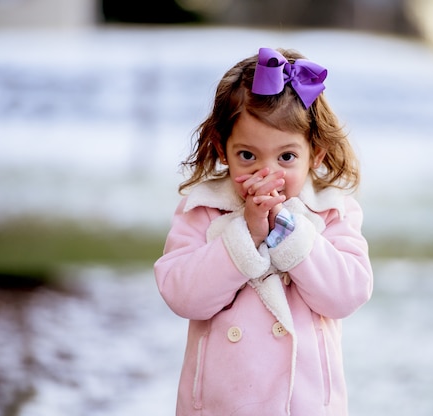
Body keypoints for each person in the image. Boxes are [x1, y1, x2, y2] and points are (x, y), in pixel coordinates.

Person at [154, 47, 373, 416]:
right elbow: (180, 294)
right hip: (220, 405)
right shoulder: (203, 209)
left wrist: (289, 233)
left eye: (286, 157)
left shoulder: (332, 211)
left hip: (304, 404)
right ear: (222, 149)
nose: (266, 173)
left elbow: (347, 294)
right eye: (248, 156)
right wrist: (245, 236)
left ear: (315, 154)